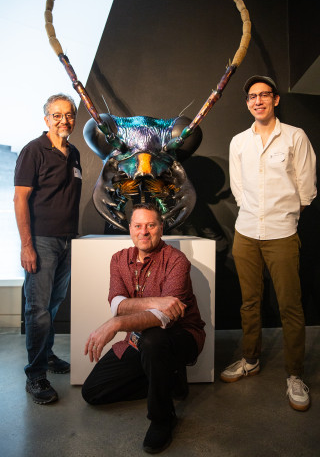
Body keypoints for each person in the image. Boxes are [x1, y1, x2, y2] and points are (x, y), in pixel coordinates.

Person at [220, 75, 317, 411]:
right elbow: (237, 188)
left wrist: (284, 215)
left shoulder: (295, 137)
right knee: (249, 302)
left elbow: (306, 189)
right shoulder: (238, 142)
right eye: (251, 96)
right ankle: (251, 359)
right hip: (246, 232)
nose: (257, 100)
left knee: (290, 306)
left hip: (282, 233)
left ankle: (294, 374)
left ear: (275, 99)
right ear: (247, 103)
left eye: (264, 95)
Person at [81, 203, 206, 453]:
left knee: (153, 339)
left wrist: (117, 323)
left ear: (161, 228)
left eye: (150, 225)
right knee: (92, 392)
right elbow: (116, 302)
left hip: (181, 336)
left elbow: (163, 316)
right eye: (138, 226)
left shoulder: (176, 261)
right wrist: (154, 300)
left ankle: (162, 418)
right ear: (130, 229)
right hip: (138, 339)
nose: (144, 232)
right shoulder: (119, 260)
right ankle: (169, 379)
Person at [14, 93, 82, 405]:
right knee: (37, 310)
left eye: (68, 115)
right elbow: (20, 199)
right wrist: (27, 246)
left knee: (52, 306)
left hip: (68, 241)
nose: (63, 120)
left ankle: (48, 355)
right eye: (56, 115)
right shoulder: (33, 151)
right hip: (41, 241)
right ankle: (36, 375)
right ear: (46, 119)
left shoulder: (75, 153)